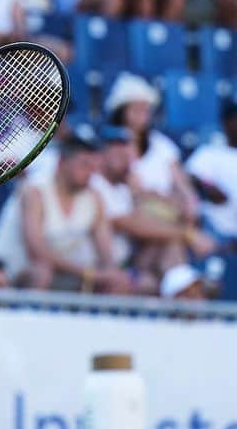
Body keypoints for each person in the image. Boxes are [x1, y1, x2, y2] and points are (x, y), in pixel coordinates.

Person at [92, 123, 213, 290]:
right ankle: (186, 292)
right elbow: (130, 223)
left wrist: (180, 205)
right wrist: (187, 234)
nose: (123, 154)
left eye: (126, 149)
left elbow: (163, 208)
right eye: (115, 149)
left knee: (169, 243)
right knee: (169, 243)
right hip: (105, 266)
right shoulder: (96, 184)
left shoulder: (123, 186)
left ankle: (186, 291)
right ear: (100, 154)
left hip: (133, 259)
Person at [19, 125, 130, 293]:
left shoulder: (94, 197)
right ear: (62, 162)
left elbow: (106, 252)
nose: (90, 173)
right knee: (41, 273)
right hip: (18, 270)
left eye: (93, 167)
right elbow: (37, 252)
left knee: (117, 281)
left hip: (71, 273)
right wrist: (87, 273)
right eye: (84, 165)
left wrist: (110, 272)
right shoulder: (35, 191)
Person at [105, 73, 200, 231]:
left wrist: (189, 202)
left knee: (174, 238)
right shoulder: (113, 147)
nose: (142, 113)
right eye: (136, 108)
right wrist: (169, 202)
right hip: (135, 216)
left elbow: (181, 183)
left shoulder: (162, 144)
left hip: (170, 212)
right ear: (121, 111)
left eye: (146, 109)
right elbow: (135, 191)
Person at [186, 99, 237, 250]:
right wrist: (208, 186)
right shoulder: (210, 152)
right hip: (214, 230)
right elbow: (188, 177)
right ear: (225, 123)